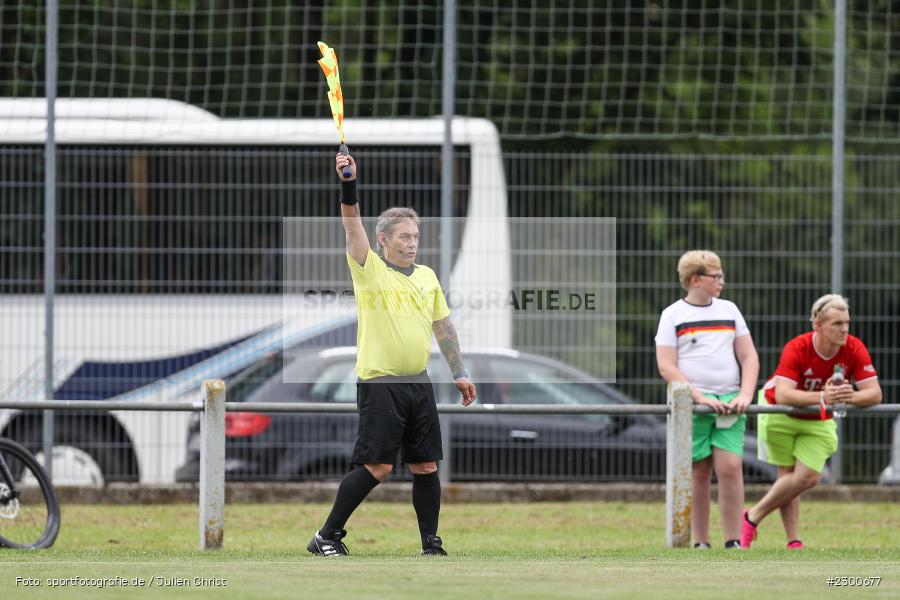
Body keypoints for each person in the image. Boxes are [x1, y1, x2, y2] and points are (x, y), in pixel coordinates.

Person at [307, 152, 477, 557]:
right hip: (380, 384)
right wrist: (348, 183)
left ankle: (430, 544)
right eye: (404, 236)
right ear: (383, 240)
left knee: (426, 466)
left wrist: (459, 372)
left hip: (419, 383)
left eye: (415, 236)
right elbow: (352, 224)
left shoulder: (428, 276)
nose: (412, 242)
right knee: (378, 466)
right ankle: (326, 536)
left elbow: (443, 327)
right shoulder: (369, 268)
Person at [741, 294, 881, 549]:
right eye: (837, 323)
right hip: (780, 413)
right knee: (787, 478)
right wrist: (823, 396)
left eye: (847, 322)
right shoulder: (797, 347)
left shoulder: (854, 348)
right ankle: (794, 541)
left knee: (808, 477)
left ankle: (752, 516)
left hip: (817, 419)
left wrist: (850, 396)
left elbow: (875, 394)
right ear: (818, 324)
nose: (844, 329)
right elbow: (784, 394)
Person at [655, 250, 759, 549]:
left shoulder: (730, 310)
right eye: (716, 276)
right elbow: (667, 366)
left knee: (731, 466)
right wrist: (698, 397)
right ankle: (701, 541)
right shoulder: (672, 315)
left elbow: (749, 356)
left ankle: (733, 540)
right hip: (692, 404)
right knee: (699, 471)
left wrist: (745, 394)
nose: (721, 281)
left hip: (729, 401)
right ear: (695, 279)